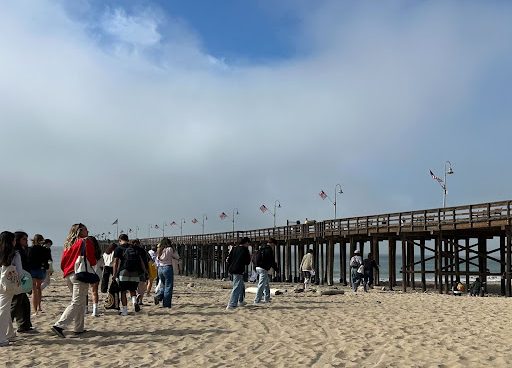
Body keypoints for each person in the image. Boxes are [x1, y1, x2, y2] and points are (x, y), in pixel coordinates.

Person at [52, 223, 97, 338]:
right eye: (86, 230)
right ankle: (59, 325)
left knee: (80, 302)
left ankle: (79, 328)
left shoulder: (68, 243)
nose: (88, 232)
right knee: (77, 301)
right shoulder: (85, 241)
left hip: (69, 274)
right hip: (79, 274)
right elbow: (92, 259)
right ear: (80, 231)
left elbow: (63, 262)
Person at [112, 234, 144, 315]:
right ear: (128, 239)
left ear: (120, 240)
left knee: (123, 292)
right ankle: (134, 302)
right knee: (132, 290)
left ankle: (125, 311)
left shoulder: (118, 248)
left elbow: (115, 263)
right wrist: (145, 271)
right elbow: (141, 261)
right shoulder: (134, 247)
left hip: (124, 272)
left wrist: (114, 274)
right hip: (135, 273)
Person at [11, 231, 35, 334]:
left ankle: (24, 326)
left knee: (24, 303)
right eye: (24, 239)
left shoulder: (23, 250)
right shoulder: (16, 252)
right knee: (16, 304)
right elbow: (20, 269)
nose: (26, 241)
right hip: (19, 280)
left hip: (24, 278)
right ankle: (21, 326)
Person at [0, 231, 17, 346]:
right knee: (4, 310)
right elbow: (20, 272)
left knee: (3, 308)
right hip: (8, 284)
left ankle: (10, 333)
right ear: (11, 241)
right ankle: (1, 338)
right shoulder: (14, 254)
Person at [28, 234, 51, 314]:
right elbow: (48, 259)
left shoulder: (29, 249)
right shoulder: (45, 249)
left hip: (32, 270)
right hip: (41, 270)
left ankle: (35, 310)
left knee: (34, 290)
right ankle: (39, 307)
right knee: (39, 288)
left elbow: (27, 260)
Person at [226, 237, 251, 310]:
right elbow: (247, 262)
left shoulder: (234, 248)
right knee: (237, 286)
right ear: (246, 243)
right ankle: (232, 304)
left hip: (232, 269)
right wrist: (250, 256)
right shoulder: (245, 250)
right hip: (238, 270)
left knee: (241, 285)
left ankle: (241, 301)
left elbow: (229, 259)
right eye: (248, 243)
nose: (249, 245)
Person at [154, 238, 180, 308]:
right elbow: (177, 256)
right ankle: (166, 304)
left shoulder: (159, 249)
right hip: (167, 268)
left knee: (163, 284)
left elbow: (157, 259)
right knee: (168, 286)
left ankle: (158, 296)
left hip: (160, 269)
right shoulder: (170, 249)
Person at [253, 238, 279, 304]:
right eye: (274, 245)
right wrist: (276, 269)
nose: (274, 247)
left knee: (266, 284)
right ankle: (257, 300)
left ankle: (267, 298)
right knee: (261, 284)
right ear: (272, 243)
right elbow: (272, 261)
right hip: (263, 268)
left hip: (257, 267)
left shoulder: (261, 248)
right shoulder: (269, 250)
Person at [101, 242, 119, 311]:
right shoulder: (114, 252)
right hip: (112, 266)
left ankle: (104, 289)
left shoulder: (105, 252)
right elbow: (114, 260)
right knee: (114, 279)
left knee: (105, 279)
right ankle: (113, 288)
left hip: (106, 266)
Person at [88, 236, 103, 317]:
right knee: (95, 291)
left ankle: (85, 309)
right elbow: (101, 264)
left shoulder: (86, 251)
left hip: (86, 272)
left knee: (84, 292)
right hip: (97, 273)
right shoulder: (98, 252)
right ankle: (95, 310)